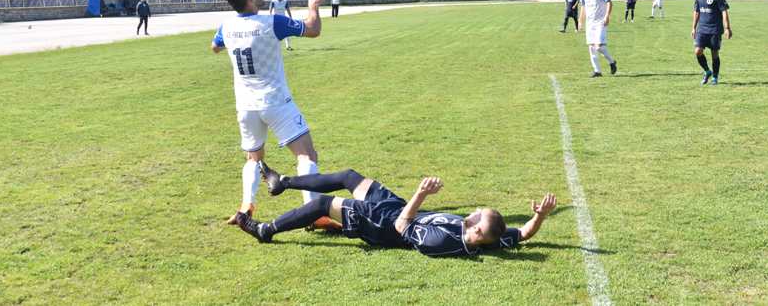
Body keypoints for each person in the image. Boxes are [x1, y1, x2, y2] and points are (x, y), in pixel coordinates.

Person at [212, 0, 335, 229]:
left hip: (246, 105)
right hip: (275, 101)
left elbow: (214, 47)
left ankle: (246, 207)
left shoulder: (226, 26)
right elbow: (313, 29)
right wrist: (313, 6)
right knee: (307, 155)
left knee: (253, 158)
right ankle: (313, 214)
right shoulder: (271, 23)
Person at [234, 163, 557, 258]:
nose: (471, 211)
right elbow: (524, 234)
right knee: (349, 177)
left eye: (475, 216)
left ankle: (266, 230)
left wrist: (419, 194)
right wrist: (539, 217)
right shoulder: (492, 237)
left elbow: (403, 227)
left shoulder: (442, 242)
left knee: (321, 204)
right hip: (397, 208)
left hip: (384, 226)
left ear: (474, 232)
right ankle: (283, 182)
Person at [692, 0, 733, 85]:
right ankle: (707, 71)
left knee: (714, 53)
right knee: (698, 51)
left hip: (715, 30)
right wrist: (693, 28)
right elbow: (696, 12)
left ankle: (715, 77)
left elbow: (724, 12)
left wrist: (727, 28)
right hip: (702, 29)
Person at [579, 0, 617, 78]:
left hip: (600, 22)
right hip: (589, 23)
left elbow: (609, 3)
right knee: (591, 47)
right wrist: (580, 21)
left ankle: (612, 62)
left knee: (599, 46)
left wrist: (607, 16)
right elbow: (583, 7)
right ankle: (597, 71)